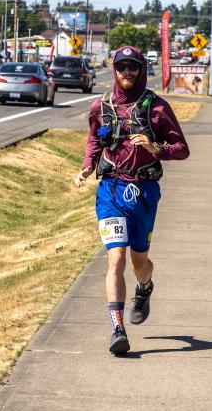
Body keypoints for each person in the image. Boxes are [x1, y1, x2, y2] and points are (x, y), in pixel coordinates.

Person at [73, 45, 189, 355]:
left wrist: (156, 149)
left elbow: (182, 148)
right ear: (114, 70)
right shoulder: (101, 106)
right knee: (116, 258)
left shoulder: (156, 108)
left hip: (144, 192)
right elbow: (94, 140)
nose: (127, 72)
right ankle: (117, 328)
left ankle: (145, 286)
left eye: (133, 67)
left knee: (139, 262)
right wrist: (88, 165)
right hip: (110, 190)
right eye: (122, 66)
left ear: (141, 70)